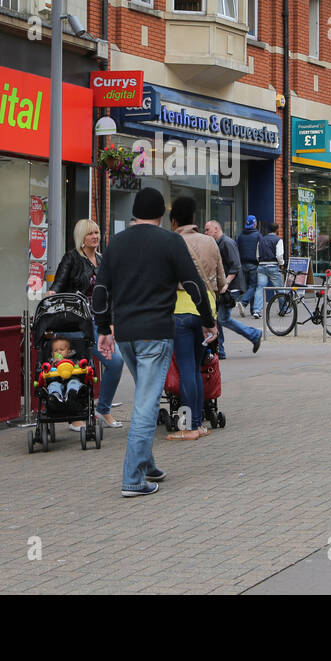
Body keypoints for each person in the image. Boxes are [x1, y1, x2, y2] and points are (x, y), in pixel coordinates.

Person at [92, 188, 216, 498]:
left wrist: (103, 328)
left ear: (134, 213)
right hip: (156, 334)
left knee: (146, 393)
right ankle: (133, 479)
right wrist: (207, 320)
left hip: (127, 336)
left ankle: (147, 465)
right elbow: (193, 284)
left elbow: (101, 291)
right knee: (147, 403)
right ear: (162, 216)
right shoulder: (169, 241)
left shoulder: (116, 243)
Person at [50, 218, 124, 430]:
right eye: (90, 233)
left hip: (99, 322)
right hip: (75, 322)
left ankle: (104, 409)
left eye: (97, 232)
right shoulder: (71, 258)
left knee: (116, 362)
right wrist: (52, 293)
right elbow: (59, 283)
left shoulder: (102, 259)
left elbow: (110, 295)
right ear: (81, 238)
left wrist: (111, 324)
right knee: (76, 370)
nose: (95, 236)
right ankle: (77, 416)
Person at [168, 197, 226, 442]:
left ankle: (190, 425)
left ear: (174, 220)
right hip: (207, 312)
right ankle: (200, 423)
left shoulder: (172, 242)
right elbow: (221, 281)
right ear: (195, 218)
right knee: (199, 366)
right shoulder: (210, 242)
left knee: (187, 369)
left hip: (181, 310)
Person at [204, 219, 261, 358]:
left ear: (216, 229)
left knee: (223, 319)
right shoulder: (217, 243)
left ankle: (254, 334)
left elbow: (236, 266)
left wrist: (226, 284)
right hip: (223, 288)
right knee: (218, 318)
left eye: (207, 230)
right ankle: (220, 350)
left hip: (231, 287)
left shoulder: (227, 243)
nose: (205, 233)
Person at [252, 222, 284, 321]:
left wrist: (261, 262)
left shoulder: (261, 240)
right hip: (273, 266)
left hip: (261, 266)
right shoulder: (278, 240)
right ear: (277, 230)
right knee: (280, 289)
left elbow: (257, 256)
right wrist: (281, 263)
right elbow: (279, 255)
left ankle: (257, 310)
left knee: (260, 288)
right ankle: (283, 309)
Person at [235, 215, 262, 316]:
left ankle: (253, 310)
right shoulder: (258, 235)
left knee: (248, 287)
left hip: (243, 264)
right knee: (253, 286)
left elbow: (236, 247)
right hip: (254, 264)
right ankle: (243, 302)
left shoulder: (241, 236)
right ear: (254, 223)